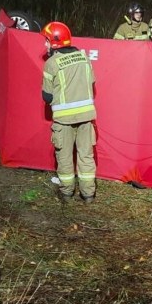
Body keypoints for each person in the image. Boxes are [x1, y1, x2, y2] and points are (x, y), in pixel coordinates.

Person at [41, 21, 98, 203]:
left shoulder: (51, 63)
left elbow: (47, 97)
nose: (45, 44)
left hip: (63, 120)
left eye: (47, 40)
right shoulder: (84, 58)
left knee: (64, 157)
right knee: (86, 155)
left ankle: (67, 193)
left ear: (55, 41)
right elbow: (92, 84)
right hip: (86, 118)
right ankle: (88, 194)